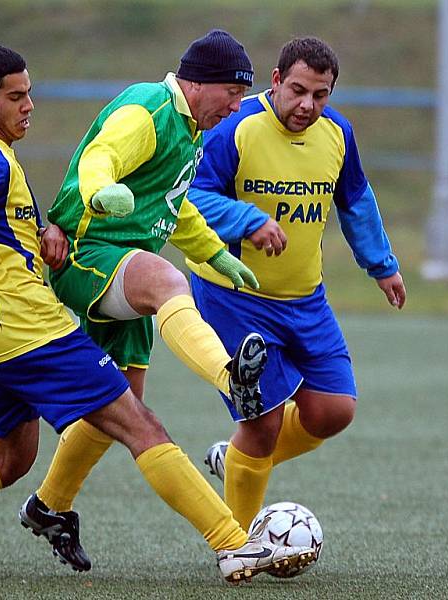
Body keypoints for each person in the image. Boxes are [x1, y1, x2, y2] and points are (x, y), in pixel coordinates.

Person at [0, 44, 314, 584]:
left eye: (30, 94)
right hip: (30, 331)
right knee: (143, 426)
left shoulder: (3, 162)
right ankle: (233, 542)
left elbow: (2, 231)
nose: (29, 106)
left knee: (11, 460)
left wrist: (45, 233)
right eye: (16, 97)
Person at [18, 30, 274, 570]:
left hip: (124, 265)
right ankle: (232, 379)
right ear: (198, 82)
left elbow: (174, 206)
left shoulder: (193, 129)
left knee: (123, 406)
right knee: (167, 282)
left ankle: (49, 504)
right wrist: (100, 192)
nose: (235, 105)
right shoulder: (148, 108)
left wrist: (217, 254)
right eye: (231, 92)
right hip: (89, 253)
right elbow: (100, 156)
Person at [185, 36, 407, 532]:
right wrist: (246, 219)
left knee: (333, 411)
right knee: (262, 422)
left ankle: (237, 456)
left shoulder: (338, 134)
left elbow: (355, 201)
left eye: (321, 95)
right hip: (233, 298)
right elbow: (191, 199)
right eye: (300, 90)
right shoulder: (235, 129)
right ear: (277, 80)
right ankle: (235, 542)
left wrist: (382, 264)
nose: (308, 105)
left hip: (306, 300)